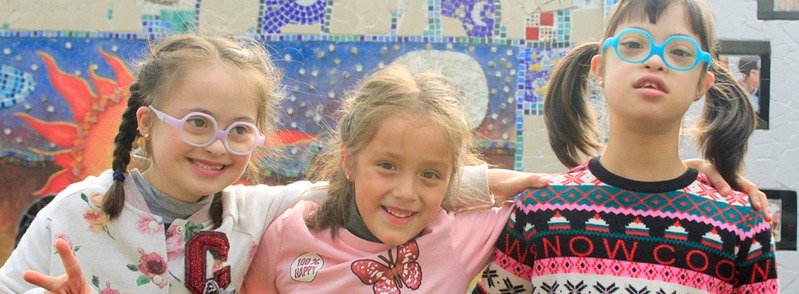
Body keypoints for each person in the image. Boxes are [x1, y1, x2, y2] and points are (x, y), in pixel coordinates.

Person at [0, 35, 541, 293]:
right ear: (146, 121)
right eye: (197, 123)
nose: (217, 147)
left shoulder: (257, 212)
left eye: (238, 130)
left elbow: (373, 184)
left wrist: (519, 183)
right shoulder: (74, 213)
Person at [474, 0, 778, 293]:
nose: (655, 61)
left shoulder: (743, 226)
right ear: (599, 69)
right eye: (633, 44)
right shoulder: (540, 210)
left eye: (679, 51)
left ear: (702, 84)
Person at [242, 64, 516, 293]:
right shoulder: (290, 235)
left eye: (430, 174)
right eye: (387, 166)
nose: (406, 192)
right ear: (349, 162)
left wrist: (521, 182)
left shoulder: (455, 239)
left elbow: (540, 206)